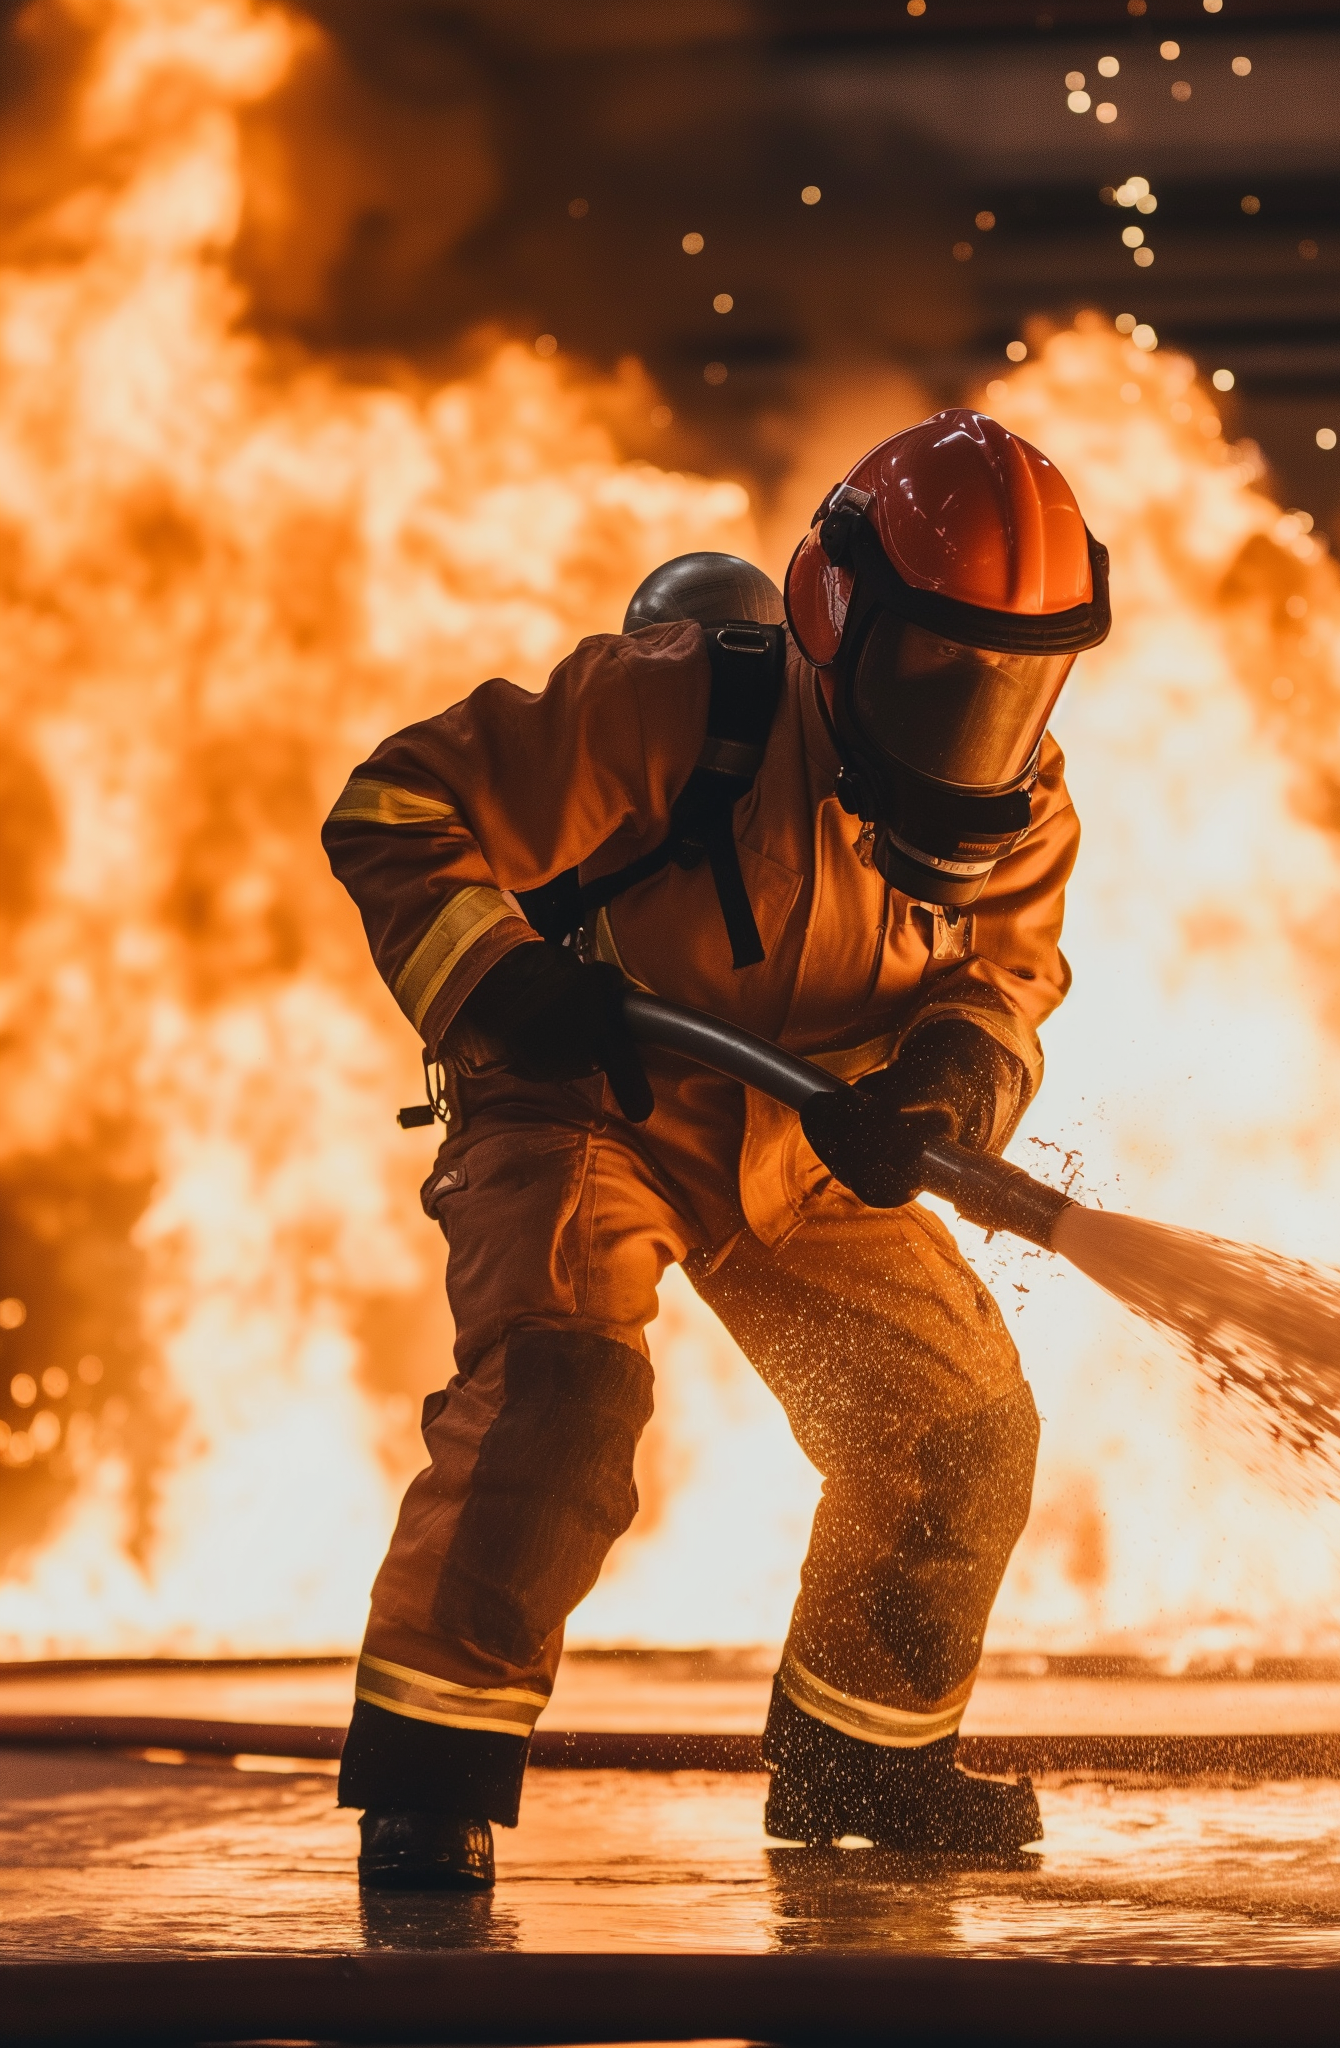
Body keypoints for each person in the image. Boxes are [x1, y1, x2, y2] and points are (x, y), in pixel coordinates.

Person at [320, 410, 1110, 1889]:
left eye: (1011, 676)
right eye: (936, 661)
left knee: (956, 1427)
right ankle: (430, 1783)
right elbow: (397, 808)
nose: (973, 716)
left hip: (809, 1136)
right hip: (588, 1102)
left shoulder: (1029, 810)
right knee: (560, 1398)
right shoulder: (663, 709)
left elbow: (1002, 985)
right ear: (834, 612)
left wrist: (941, 1094)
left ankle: (860, 1761)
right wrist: (497, 978)